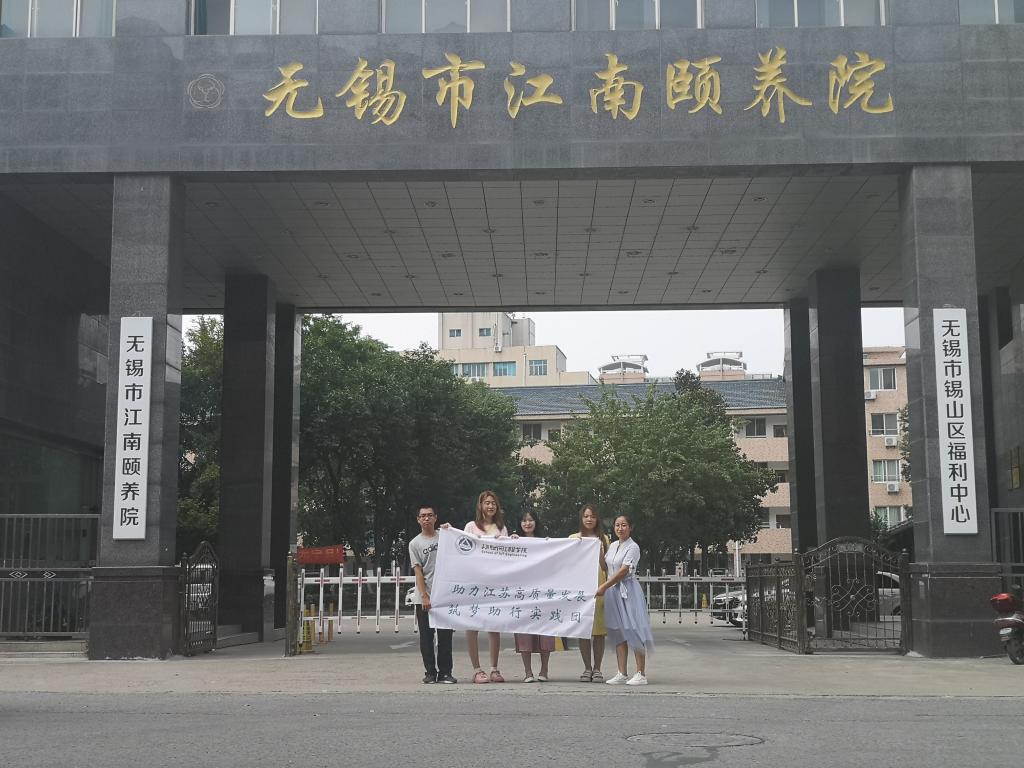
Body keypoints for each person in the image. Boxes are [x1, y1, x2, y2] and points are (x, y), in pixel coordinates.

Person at [597, 514, 654, 686]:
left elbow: (623, 571)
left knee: (634, 629)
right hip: (613, 592)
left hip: (627, 590)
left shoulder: (633, 547)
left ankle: (641, 673)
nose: (620, 528)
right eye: (617, 525)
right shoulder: (613, 545)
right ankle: (621, 672)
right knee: (618, 632)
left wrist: (604, 586)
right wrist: (599, 551)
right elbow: (605, 567)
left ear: (630, 527)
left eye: (623, 525)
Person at [463, 490, 510, 684]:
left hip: (494, 583)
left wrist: (513, 541)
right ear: (480, 505)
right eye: (487, 503)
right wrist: (448, 532)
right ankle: (476, 669)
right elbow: (462, 549)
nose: (490, 506)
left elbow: (507, 553)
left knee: (494, 625)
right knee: (472, 626)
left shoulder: (501, 528)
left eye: (493, 503)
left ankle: (494, 668)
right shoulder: (470, 526)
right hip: (475, 582)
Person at [408, 505, 456, 684]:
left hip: (444, 595)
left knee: (445, 636)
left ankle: (446, 672)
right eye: (423, 516)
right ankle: (430, 672)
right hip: (425, 596)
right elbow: (418, 572)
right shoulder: (414, 544)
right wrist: (424, 596)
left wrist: (450, 530)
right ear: (418, 520)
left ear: (436, 518)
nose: (426, 518)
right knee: (426, 637)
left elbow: (461, 544)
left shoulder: (445, 537)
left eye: (430, 515)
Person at [568, 503, 609, 682]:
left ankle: (597, 668)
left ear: (597, 518)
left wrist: (599, 552)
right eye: (586, 516)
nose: (589, 519)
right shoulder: (573, 538)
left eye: (592, 516)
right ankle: (587, 668)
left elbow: (607, 567)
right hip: (580, 591)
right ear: (581, 518)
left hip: (599, 589)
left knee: (598, 632)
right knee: (583, 630)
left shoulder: (604, 539)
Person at [513, 510, 555, 682]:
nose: (527, 523)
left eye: (530, 520)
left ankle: (544, 670)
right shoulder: (514, 541)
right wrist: (510, 541)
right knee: (524, 632)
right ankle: (528, 672)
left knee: (545, 631)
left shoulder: (545, 542)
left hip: (543, 593)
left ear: (536, 522)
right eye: (524, 520)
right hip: (522, 594)